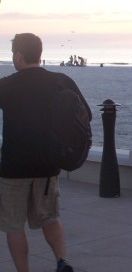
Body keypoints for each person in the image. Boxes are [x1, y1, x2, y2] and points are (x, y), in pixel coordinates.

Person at [0, 33, 92, 272]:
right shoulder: (60, 81)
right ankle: (62, 261)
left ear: (19, 55)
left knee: (14, 226)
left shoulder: (6, 85)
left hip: (13, 168)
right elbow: (86, 115)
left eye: (13, 54)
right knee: (50, 219)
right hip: (48, 165)